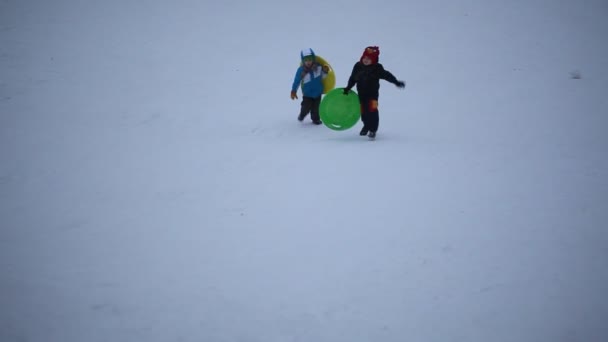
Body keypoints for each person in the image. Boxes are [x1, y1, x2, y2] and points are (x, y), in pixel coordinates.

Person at [343, 46, 405, 138]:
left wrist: (395, 82)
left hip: (372, 95)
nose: (366, 60)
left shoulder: (377, 68)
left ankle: (373, 129)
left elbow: (387, 75)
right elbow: (353, 78)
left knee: (372, 111)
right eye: (364, 58)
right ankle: (366, 126)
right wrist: (348, 87)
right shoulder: (358, 66)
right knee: (363, 112)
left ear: (374, 60)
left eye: (369, 59)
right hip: (361, 94)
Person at [291, 48, 330, 125]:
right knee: (306, 107)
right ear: (303, 61)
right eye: (306, 60)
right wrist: (293, 90)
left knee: (316, 108)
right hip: (307, 93)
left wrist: (325, 71)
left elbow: (323, 77)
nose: (308, 62)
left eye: (310, 59)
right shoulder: (301, 71)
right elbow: (296, 81)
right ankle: (302, 114)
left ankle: (315, 119)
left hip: (318, 92)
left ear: (313, 59)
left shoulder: (318, 67)